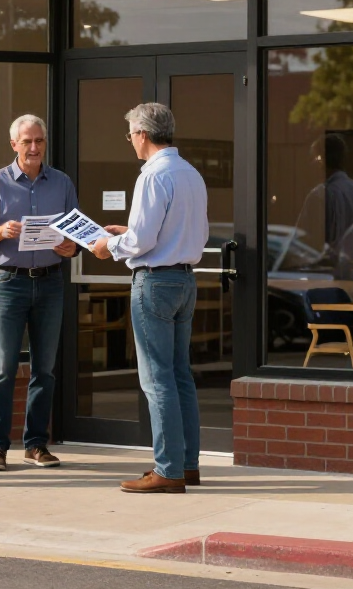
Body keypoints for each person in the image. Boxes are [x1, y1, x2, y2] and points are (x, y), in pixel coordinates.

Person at [90, 103, 208, 494]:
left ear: (142, 134)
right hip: (184, 281)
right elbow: (186, 232)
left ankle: (168, 469)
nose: (131, 143)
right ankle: (186, 464)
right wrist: (131, 234)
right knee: (179, 376)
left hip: (155, 282)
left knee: (157, 379)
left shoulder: (153, 176)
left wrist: (110, 244)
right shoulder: (190, 173)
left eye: (130, 135)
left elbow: (141, 241)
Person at [0, 114, 79, 472]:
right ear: (13, 144)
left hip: (50, 281)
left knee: (44, 368)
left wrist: (71, 248)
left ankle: (36, 444)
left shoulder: (61, 182)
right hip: (10, 282)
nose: (35, 148)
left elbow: (75, 230)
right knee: (2, 367)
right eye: (28, 141)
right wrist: (1, 230)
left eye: (40, 141)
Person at [295, 133, 353, 279]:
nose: (311, 164)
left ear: (321, 160)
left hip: (325, 279)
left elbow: (304, 241)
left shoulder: (320, 195)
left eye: (314, 158)